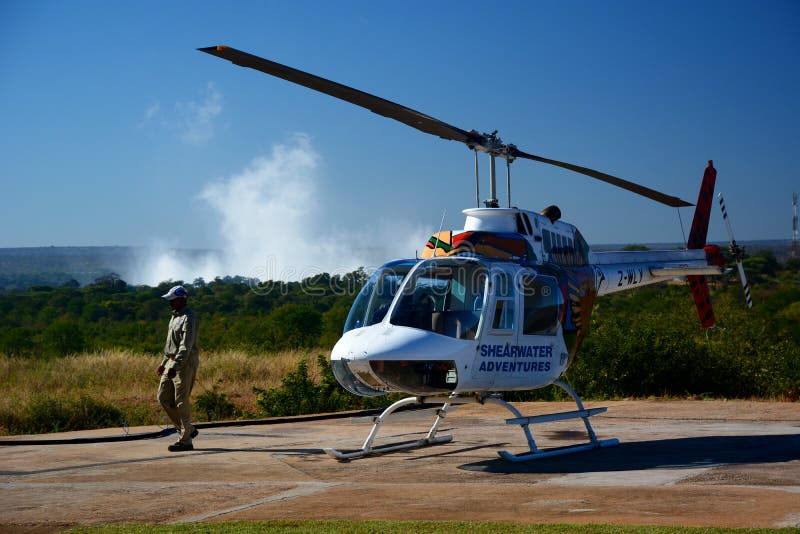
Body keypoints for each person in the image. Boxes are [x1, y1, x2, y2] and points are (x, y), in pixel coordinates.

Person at [157, 285, 200, 452]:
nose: (170, 303)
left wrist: (175, 365)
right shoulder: (174, 317)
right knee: (163, 398)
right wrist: (163, 363)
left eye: (172, 299)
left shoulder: (189, 317)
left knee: (181, 401)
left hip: (184, 364)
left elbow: (185, 346)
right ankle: (188, 429)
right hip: (171, 361)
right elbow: (171, 346)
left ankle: (185, 441)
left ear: (182, 299)